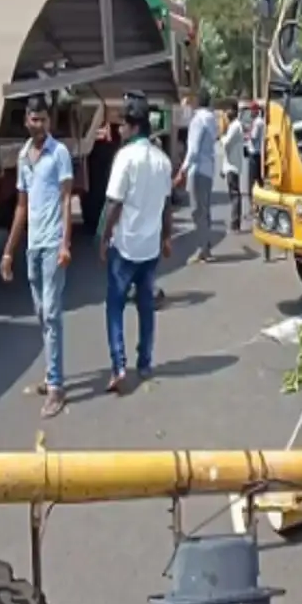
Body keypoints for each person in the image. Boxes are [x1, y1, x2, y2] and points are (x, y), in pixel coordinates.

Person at [0, 95, 73, 419]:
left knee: (52, 314)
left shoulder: (59, 154)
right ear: (26, 121)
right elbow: (21, 206)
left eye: (43, 119)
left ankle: (56, 386)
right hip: (33, 245)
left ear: (49, 121)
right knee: (42, 313)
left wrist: (65, 244)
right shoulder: (23, 157)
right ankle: (51, 373)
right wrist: (8, 251)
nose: (38, 124)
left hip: (53, 243)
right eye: (33, 119)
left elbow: (67, 199)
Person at [100, 92, 173, 393]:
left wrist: (104, 238)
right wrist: (167, 237)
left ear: (133, 126)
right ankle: (144, 363)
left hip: (126, 247)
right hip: (150, 248)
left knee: (114, 306)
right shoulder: (163, 160)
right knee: (145, 307)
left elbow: (114, 204)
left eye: (122, 124)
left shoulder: (125, 158)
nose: (118, 130)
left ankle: (118, 366)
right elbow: (167, 205)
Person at [175, 87, 217, 261]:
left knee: (197, 210)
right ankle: (206, 246)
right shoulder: (212, 119)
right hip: (208, 170)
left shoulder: (198, 120)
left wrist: (182, 171)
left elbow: (193, 150)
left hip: (197, 170)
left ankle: (202, 249)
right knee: (205, 210)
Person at [222, 104, 245, 232]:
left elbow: (226, 143)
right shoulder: (233, 126)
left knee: (235, 194)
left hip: (233, 166)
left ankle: (235, 223)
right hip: (230, 165)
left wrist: (221, 137)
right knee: (233, 194)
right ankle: (235, 222)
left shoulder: (235, 126)